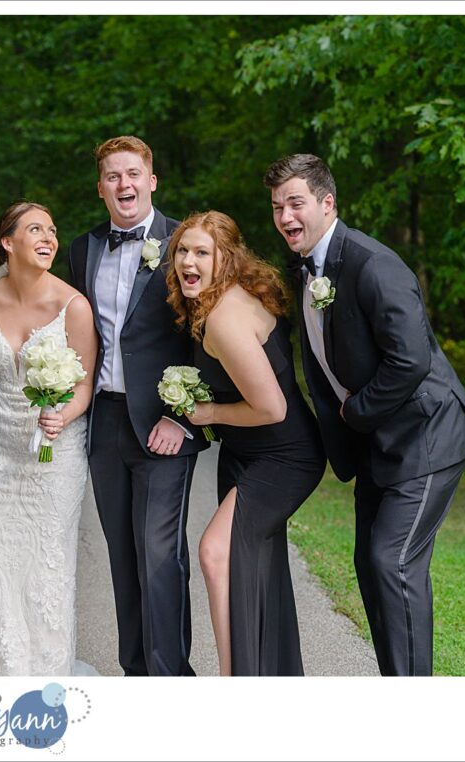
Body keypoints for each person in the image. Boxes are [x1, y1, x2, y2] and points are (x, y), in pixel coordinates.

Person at [264, 153, 465, 676]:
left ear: (327, 203)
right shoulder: (306, 269)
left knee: (394, 562)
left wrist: (353, 412)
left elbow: (409, 360)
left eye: (295, 203)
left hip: (428, 435)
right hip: (377, 442)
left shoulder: (373, 264)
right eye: (277, 207)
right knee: (371, 565)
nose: (285, 217)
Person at [67, 136, 209, 676]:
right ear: (100, 187)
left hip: (164, 425)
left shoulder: (185, 244)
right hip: (104, 422)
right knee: (122, 559)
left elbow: (206, 337)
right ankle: (135, 673)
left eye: (133, 174)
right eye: (112, 176)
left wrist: (182, 416)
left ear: (152, 181)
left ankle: (170, 678)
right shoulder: (83, 250)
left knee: (159, 556)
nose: (123, 185)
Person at [165, 210, 325, 676]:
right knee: (255, 567)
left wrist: (206, 414)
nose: (188, 262)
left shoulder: (224, 320)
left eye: (201, 252)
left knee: (216, 553)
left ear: (225, 259)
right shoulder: (219, 300)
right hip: (247, 453)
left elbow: (272, 408)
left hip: (284, 456)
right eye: (182, 251)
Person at [0, 202, 97, 676]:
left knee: (47, 559)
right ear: (7, 241)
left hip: (53, 452)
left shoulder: (73, 306)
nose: (48, 238)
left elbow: (85, 384)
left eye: (53, 230)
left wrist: (64, 415)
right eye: (35, 229)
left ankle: (43, 674)